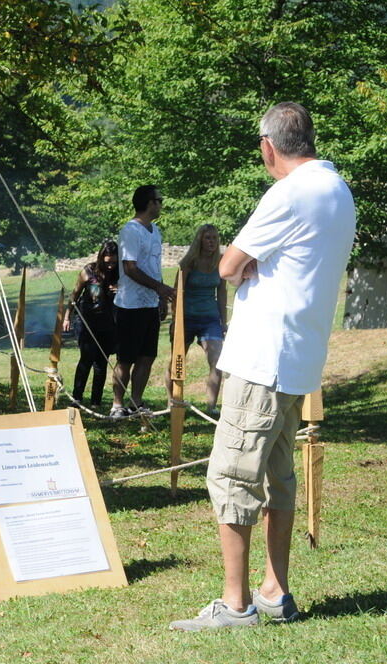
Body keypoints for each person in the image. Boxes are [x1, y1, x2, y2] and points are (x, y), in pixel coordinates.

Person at [170, 102, 356, 631]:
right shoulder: (338, 190)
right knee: (278, 478)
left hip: (261, 358)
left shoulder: (288, 192)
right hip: (300, 357)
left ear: (268, 146)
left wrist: (248, 262)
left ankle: (235, 605)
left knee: (231, 476)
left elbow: (228, 265)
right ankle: (275, 591)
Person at [110, 185, 175, 418]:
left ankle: (135, 403)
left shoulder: (155, 231)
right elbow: (130, 268)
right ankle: (117, 404)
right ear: (149, 203)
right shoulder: (130, 230)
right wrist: (160, 288)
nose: (161, 204)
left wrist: (160, 297)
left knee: (147, 356)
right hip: (130, 305)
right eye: (159, 200)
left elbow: (155, 267)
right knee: (126, 359)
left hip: (150, 305)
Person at [165, 224, 228, 414]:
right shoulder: (189, 262)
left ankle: (211, 406)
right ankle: (173, 401)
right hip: (186, 317)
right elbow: (178, 292)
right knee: (177, 360)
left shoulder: (221, 262)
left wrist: (223, 322)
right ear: (200, 240)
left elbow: (222, 292)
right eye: (208, 238)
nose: (212, 242)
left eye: (215, 238)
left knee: (217, 360)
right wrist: (176, 321)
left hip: (210, 318)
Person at [63, 240, 119, 408]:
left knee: (102, 361)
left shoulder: (121, 274)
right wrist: (67, 317)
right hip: (86, 321)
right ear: (101, 258)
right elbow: (74, 296)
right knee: (86, 357)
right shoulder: (88, 271)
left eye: (115, 262)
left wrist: (122, 289)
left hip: (109, 323)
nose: (111, 266)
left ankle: (96, 401)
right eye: (108, 262)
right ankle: (77, 397)